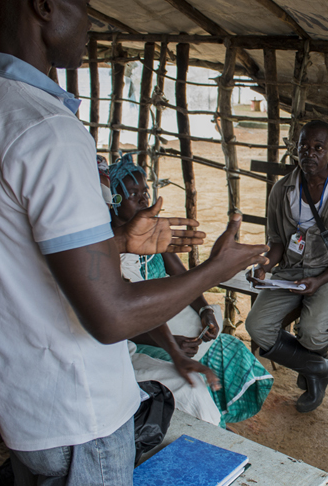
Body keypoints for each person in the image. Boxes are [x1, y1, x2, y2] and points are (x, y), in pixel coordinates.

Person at [0, 0, 267, 486]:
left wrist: (116, 242)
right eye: (84, 5)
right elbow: (111, 316)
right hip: (77, 408)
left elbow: (11, 253)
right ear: (44, 6)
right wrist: (218, 268)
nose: (90, 22)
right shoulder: (44, 129)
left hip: (20, 399)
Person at [108, 155, 273, 427]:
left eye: (145, 192)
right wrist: (172, 343)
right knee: (193, 377)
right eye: (132, 194)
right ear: (114, 201)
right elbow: (123, 317)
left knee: (227, 346)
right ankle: (209, 426)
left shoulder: (153, 236)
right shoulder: (106, 253)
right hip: (146, 335)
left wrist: (205, 309)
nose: (142, 199)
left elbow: (182, 277)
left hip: (168, 317)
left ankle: (219, 419)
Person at [245, 120, 328, 412]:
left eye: (318, 147)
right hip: (289, 273)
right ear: (295, 149)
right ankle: (319, 368)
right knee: (256, 326)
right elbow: (276, 241)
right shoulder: (282, 190)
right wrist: (264, 266)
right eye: (303, 146)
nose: (309, 153)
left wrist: (321, 279)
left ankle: (313, 375)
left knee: (312, 329)